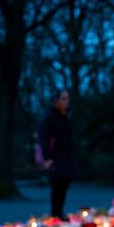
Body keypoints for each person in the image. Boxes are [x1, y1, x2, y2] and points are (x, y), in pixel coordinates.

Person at [37, 89, 74, 218]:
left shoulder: (65, 117)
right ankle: (56, 213)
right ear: (55, 101)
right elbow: (44, 138)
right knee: (57, 186)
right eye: (63, 98)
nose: (67, 101)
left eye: (67, 98)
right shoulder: (49, 118)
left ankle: (59, 212)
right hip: (55, 158)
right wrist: (48, 158)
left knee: (64, 185)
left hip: (65, 156)